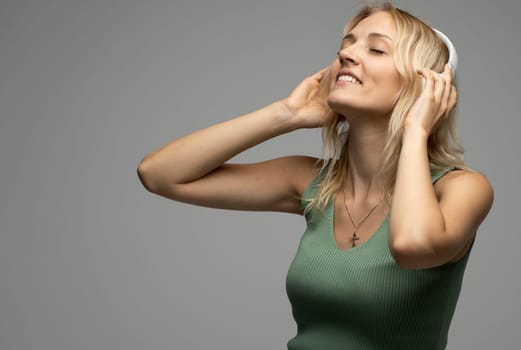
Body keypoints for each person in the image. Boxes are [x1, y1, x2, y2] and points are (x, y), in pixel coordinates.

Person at [137, 2, 493, 349]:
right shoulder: (311, 181)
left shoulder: (462, 188)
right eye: (346, 44)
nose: (348, 55)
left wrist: (417, 129)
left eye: (376, 49)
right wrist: (286, 113)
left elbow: (411, 247)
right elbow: (159, 174)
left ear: (425, 85)